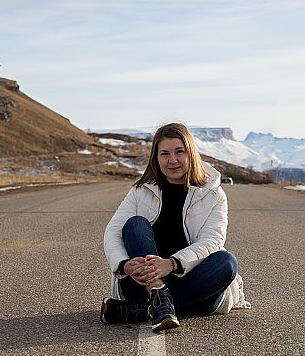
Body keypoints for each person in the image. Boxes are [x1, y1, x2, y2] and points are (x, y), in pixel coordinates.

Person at [101, 123, 250, 332]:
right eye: (165, 154)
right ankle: (157, 295)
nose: (173, 160)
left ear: (191, 153)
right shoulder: (140, 191)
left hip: (195, 285)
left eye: (179, 152)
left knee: (226, 262)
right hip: (143, 282)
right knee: (134, 224)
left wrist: (172, 264)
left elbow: (213, 240)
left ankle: (141, 308)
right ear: (156, 158)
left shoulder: (213, 194)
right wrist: (124, 265)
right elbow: (113, 231)